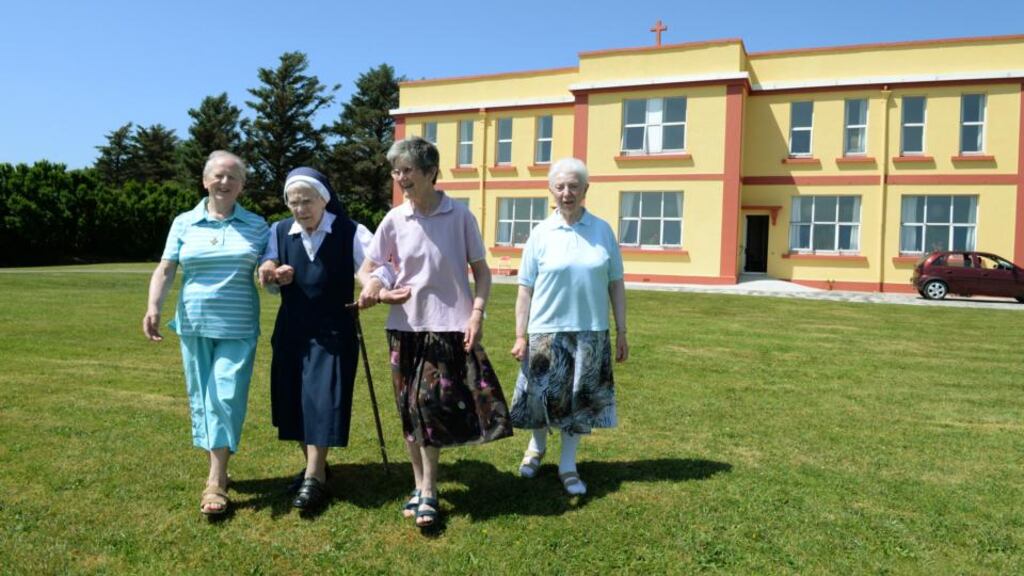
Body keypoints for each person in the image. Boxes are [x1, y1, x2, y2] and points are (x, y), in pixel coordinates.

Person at [357, 136, 512, 529]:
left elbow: (482, 272)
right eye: (396, 171)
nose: (400, 177)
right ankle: (419, 484)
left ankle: (429, 490)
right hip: (403, 326)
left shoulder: (459, 216)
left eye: (408, 170)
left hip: (447, 325)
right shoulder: (394, 219)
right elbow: (369, 267)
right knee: (408, 409)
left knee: (427, 403)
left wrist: (477, 313)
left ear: (430, 172)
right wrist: (377, 288)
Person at [143, 150, 269, 515]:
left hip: (238, 326)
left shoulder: (257, 225)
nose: (224, 182)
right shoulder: (185, 222)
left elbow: (267, 268)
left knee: (225, 397)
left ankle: (216, 479)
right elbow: (166, 269)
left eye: (232, 177)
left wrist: (272, 274)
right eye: (218, 175)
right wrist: (154, 307)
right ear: (205, 181)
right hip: (194, 323)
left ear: (242, 185)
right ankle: (219, 469)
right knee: (201, 397)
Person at [509, 157, 628, 496]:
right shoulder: (541, 233)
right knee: (541, 397)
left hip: (590, 331)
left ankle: (568, 464)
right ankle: (536, 446)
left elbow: (616, 283)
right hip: (546, 329)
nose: (567, 192)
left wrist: (622, 331)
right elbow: (525, 288)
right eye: (560, 186)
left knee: (578, 402)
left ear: (585, 190)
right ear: (551, 190)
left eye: (574, 186)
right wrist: (520, 335)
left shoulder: (603, 230)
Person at [256, 167, 374, 511]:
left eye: (307, 201)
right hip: (292, 329)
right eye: (293, 202)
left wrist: (370, 284)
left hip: (333, 331)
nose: (300, 208)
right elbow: (266, 272)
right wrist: (273, 275)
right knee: (294, 400)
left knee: (321, 400)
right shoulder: (279, 231)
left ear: (323, 199)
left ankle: (313, 478)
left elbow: (372, 266)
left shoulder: (350, 230)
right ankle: (316, 468)